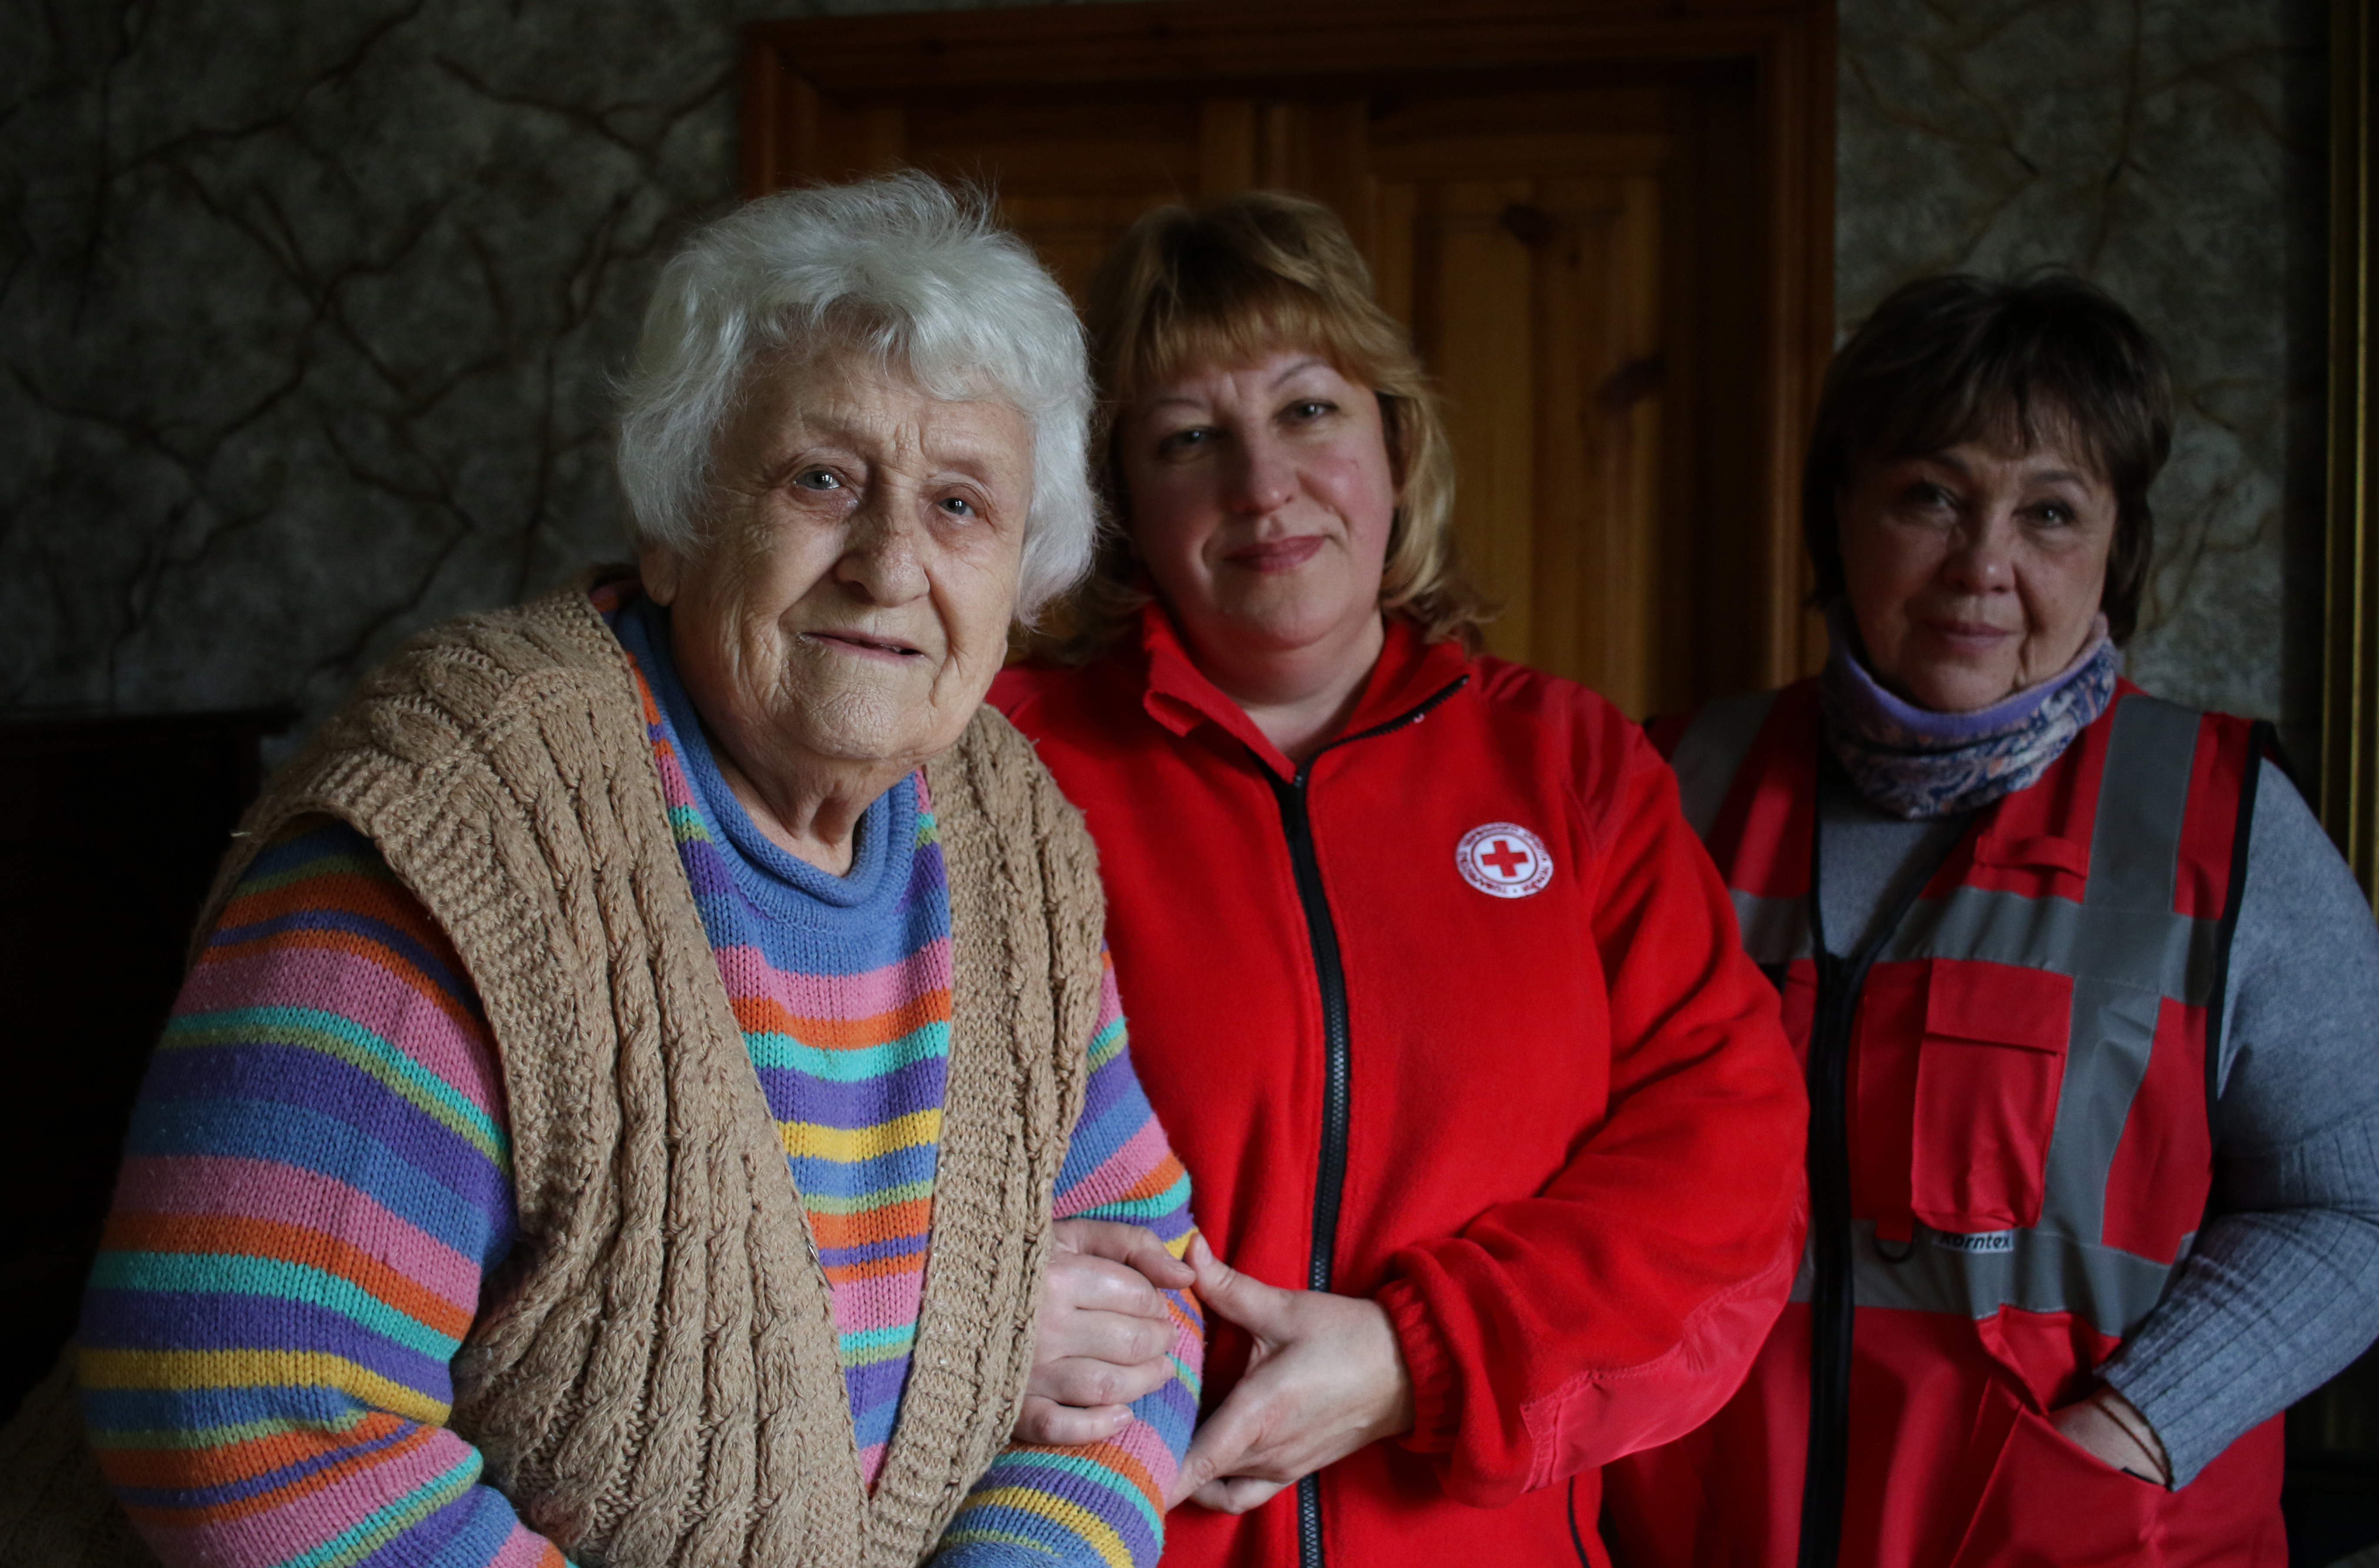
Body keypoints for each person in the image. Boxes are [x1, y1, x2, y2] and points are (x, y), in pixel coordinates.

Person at [0, 174, 1203, 1568]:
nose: (888, 564)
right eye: (823, 480)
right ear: (677, 525)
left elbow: (1143, 1306)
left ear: (1025, 579)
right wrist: (992, 1321)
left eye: (959, 505)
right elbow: (249, 1407)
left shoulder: (1008, 828)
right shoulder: (476, 811)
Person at [986, 192, 1808, 1567]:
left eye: (1309, 410)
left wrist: (1416, 1358)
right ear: (1122, 500)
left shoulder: (1570, 766)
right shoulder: (998, 762)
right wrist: (980, 1319)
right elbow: (821, 1107)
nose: (1263, 486)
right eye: (1190, 437)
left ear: (1395, 438)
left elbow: (1727, 1156)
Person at [1599, 273, 2379, 1566]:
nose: (1984, 564)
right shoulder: (1659, 792)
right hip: (1694, 1530)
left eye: (2051, 512)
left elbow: (2355, 1206)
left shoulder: (2228, 827)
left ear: (2118, 549)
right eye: (1930, 496)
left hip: (2079, 1537)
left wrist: (2135, 1426)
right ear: (1839, 511)